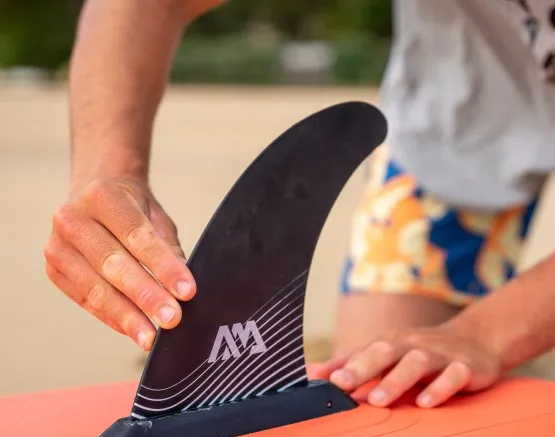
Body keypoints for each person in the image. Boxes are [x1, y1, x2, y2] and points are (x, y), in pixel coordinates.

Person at [45, 0, 555, 410]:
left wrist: (485, 334)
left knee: (472, 352)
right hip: (458, 118)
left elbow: (483, 338)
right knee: (381, 387)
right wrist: (108, 170)